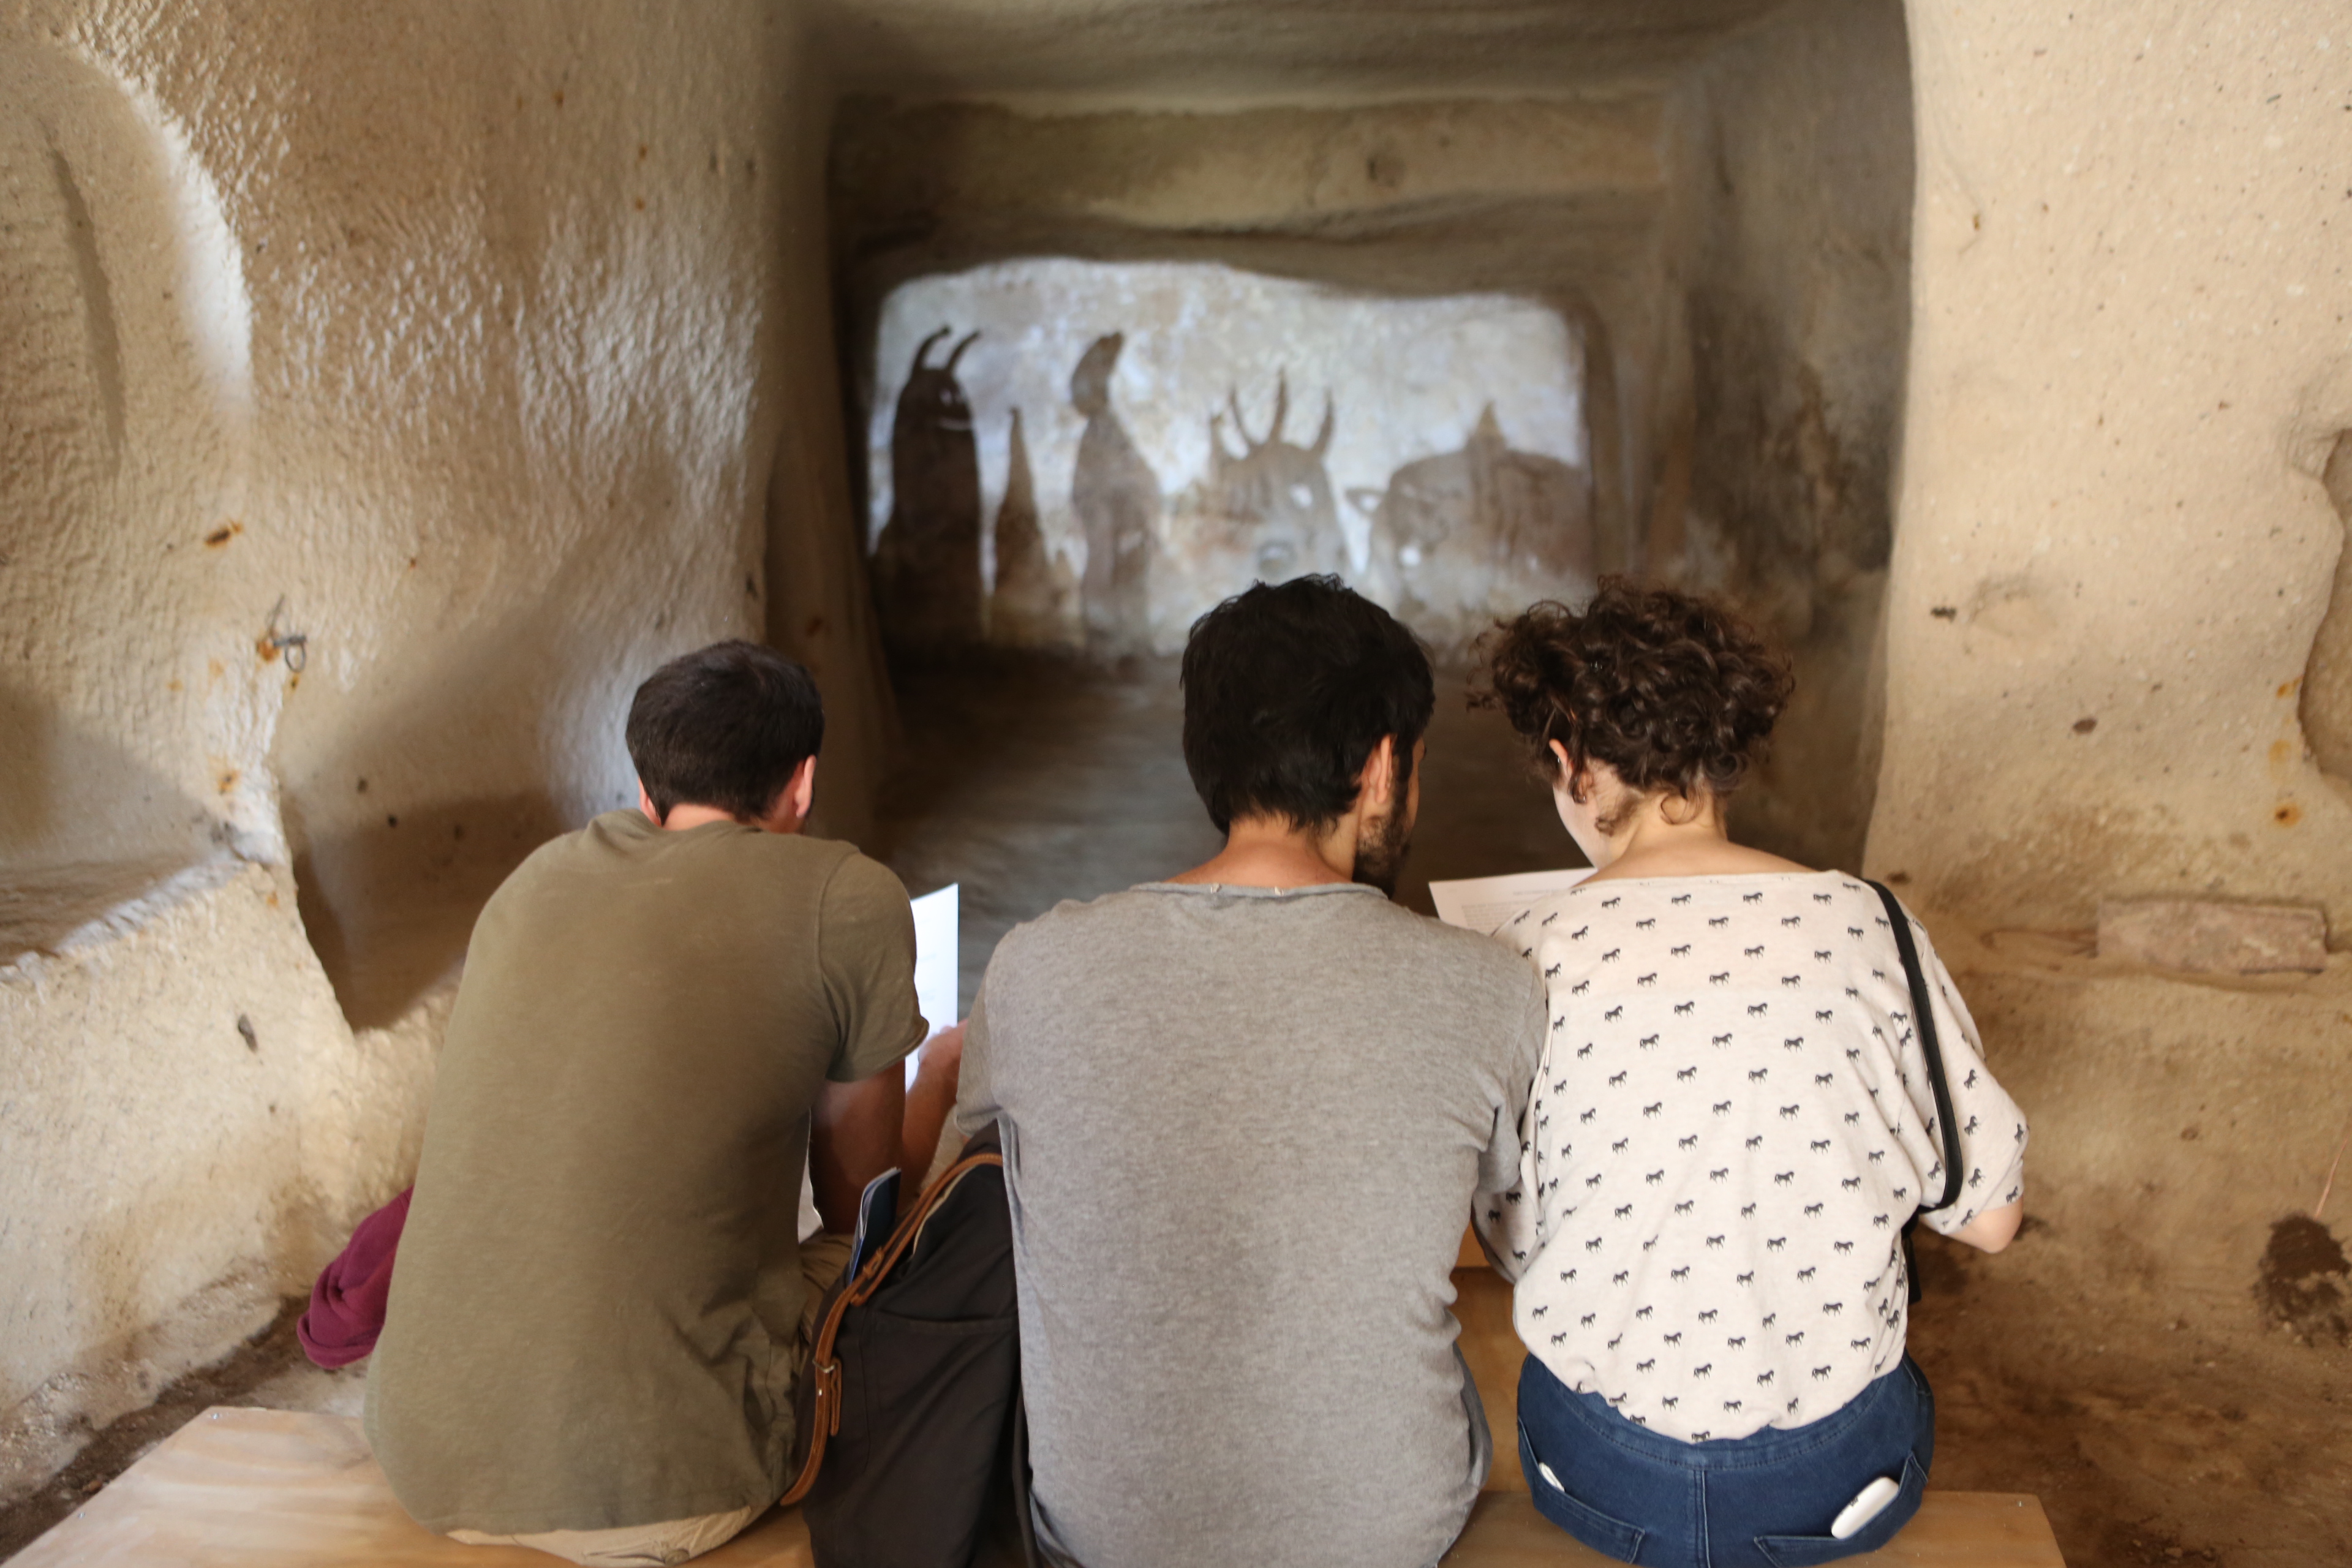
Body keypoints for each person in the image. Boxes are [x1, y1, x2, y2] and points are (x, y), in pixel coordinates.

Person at [954, 575, 1549, 1568]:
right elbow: (1517, 1233)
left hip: (1105, 1534)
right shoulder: (1487, 985)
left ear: (1211, 760)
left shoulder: (1033, 967)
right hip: (1386, 1533)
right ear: (1383, 768)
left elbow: (959, 1196)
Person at [366, 640, 962, 1567]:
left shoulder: (536, 879)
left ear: (647, 791)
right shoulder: (848, 895)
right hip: (670, 1490)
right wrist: (948, 1076)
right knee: (954, 1153)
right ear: (802, 784)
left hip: (426, 1457)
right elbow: (863, 1210)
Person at [1471, 581, 2027, 1568]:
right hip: (1833, 1485)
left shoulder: (1526, 948)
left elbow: (1516, 1242)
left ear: (1570, 763)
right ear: (1724, 744)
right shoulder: (1870, 925)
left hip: (1600, 1479)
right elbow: (1991, 1220)